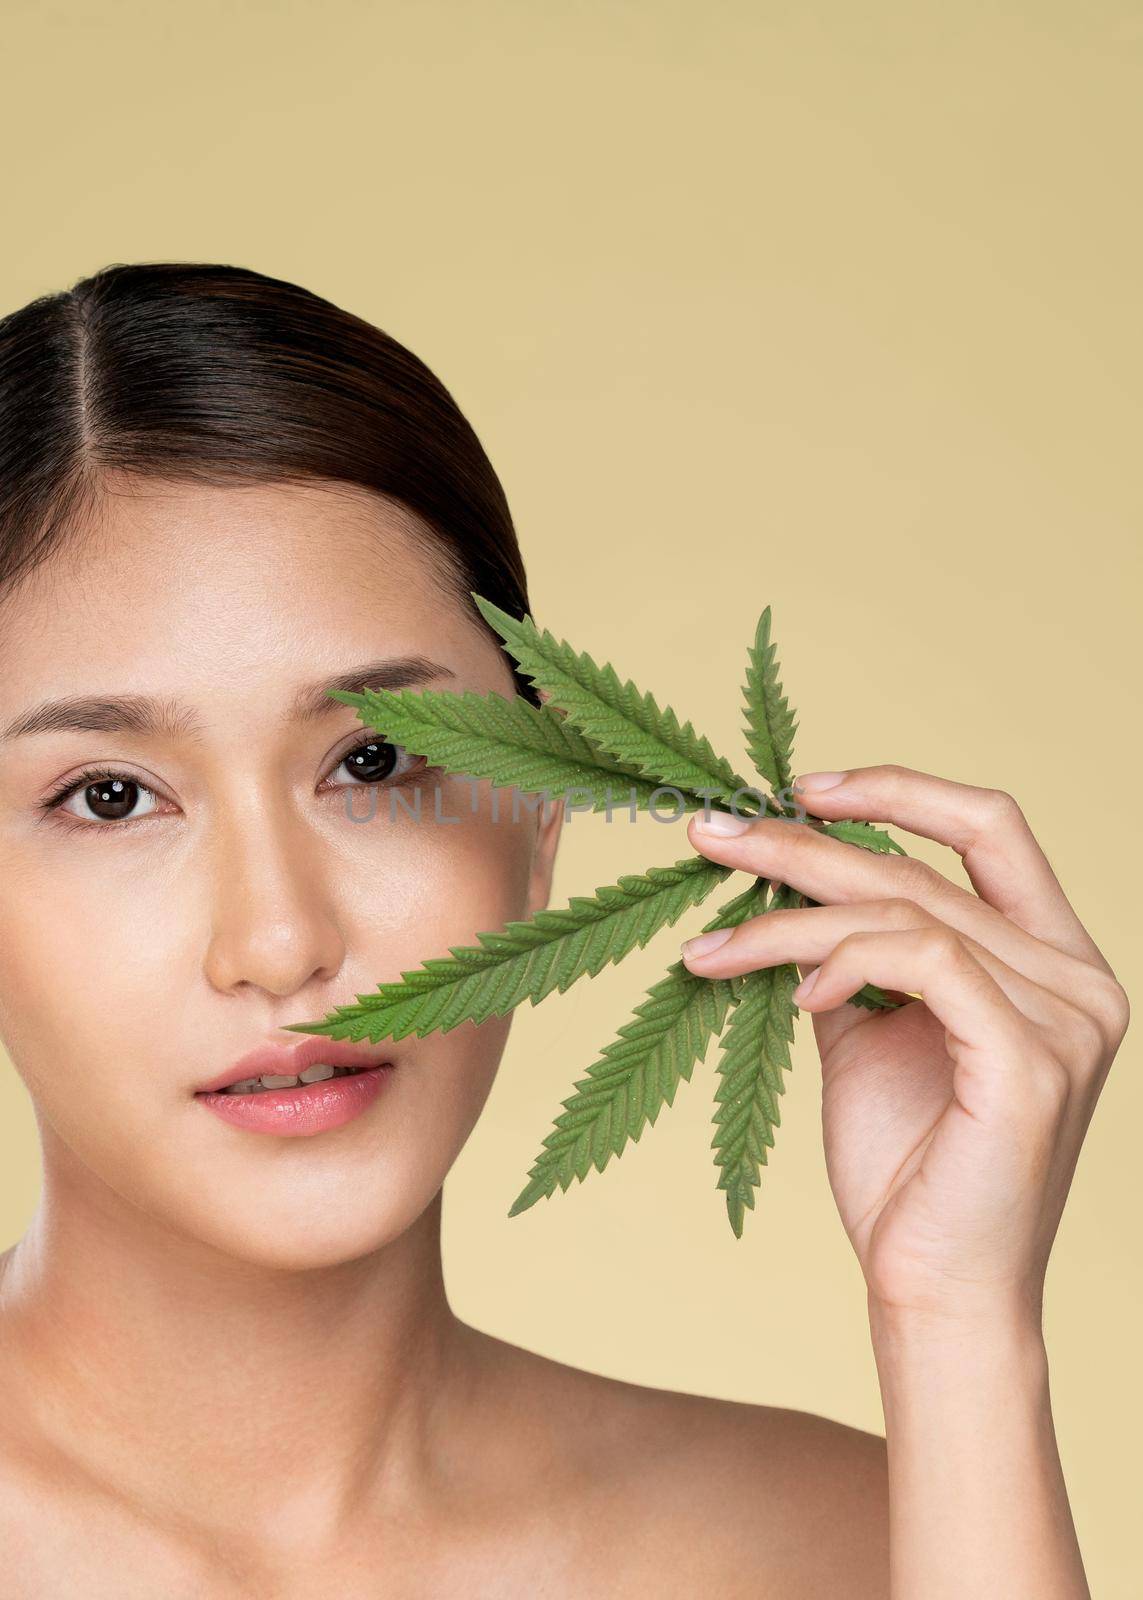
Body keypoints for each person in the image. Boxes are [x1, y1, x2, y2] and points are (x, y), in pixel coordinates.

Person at [0, 262, 1126, 1598]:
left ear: (541, 815)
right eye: (111, 796)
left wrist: (960, 1328)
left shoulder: (858, 1541)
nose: (280, 939)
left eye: (373, 764)